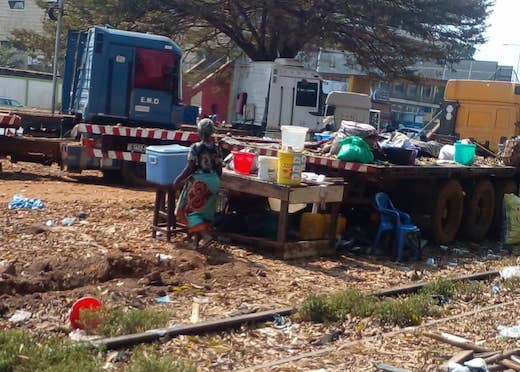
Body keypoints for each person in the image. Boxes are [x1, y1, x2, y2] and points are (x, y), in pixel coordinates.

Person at [174, 119, 222, 249]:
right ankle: (196, 244)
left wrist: (178, 179)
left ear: (199, 132)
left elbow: (190, 167)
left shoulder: (195, 147)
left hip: (200, 182)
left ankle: (206, 237)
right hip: (214, 180)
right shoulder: (216, 148)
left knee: (189, 211)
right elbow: (219, 168)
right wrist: (217, 184)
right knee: (204, 213)